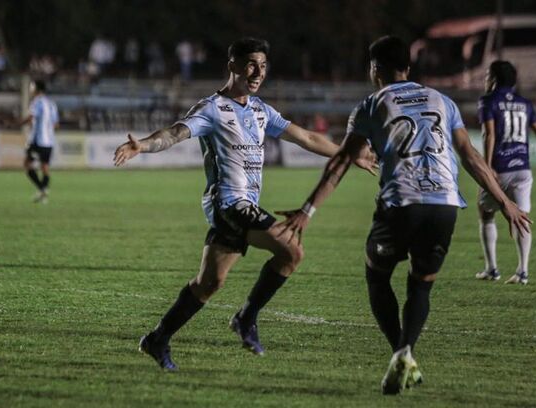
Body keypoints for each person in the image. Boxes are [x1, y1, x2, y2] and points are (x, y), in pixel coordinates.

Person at [276, 36, 531, 395]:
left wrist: (307, 210)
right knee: (421, 284)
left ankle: (400, 351)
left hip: (402, 204)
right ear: (408, 69)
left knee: (376, 276)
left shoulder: (370, 105)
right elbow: (470, 156)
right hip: (444, 206)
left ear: (374, 69)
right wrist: (506, 203)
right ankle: (405, 352)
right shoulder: (443, 101)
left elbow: (340, 163)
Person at [113, 37, 376, 371]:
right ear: (233, 65)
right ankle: (246, 317)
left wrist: (349, 153)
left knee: (209, 284)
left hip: (243, 206)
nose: (258, 72)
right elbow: (176, 133)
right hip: (228, 203)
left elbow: (307, 138)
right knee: (292, 250)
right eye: (251, 63)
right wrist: (145, 146)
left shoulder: (260, 110)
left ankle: (157, 339)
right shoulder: (211, 109)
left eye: (263, 65)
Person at [475, 60, 536, 285]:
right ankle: (523, 272)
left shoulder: (488, 101)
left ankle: (492, 269)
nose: (485, 80)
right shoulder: (525, 103)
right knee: (522, 218)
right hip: (523, 168)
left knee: (485, 212)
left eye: (486, 75)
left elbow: (489, 134)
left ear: (493, 79)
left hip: (500, 167)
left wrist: (488, 165)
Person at [13, 79, 59, 203]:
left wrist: (17, 124)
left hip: (37, 141)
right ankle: (43, 192)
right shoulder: (52, 104)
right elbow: (56, 125)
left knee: (27, 164)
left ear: (37, 89)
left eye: (31, 87)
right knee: (45, 167)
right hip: (49, 142)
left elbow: (30, 117)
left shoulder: (37, 102)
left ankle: (41, 189)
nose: (30, 90)